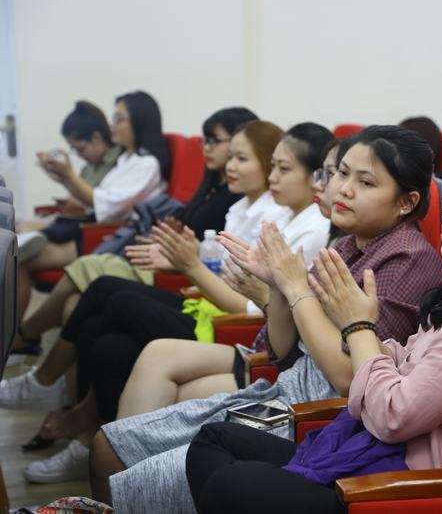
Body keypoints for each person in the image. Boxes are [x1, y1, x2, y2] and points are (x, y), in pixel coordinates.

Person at [184, 137, 442, 513]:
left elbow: (392, 414)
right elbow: (401, 360)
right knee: (214, 440)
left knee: (232, 484)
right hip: (378, 456)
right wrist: (360, 334)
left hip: (408, 490)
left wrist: (357, 327)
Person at [87, 126, 442, 513]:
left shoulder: (408, 260)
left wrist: (295, 287)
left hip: (315, 418)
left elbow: (349, 380)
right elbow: (283, 349)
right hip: (283, 391)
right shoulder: (347, 244)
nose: (343, 189)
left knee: (118, 458)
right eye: (342, 173)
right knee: (108, 445)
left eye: (365, 182)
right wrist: (277, 287)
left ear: (406, 202)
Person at [0, 120, 298, 484]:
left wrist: (189, 264)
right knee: (103, 339)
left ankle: (59, 398)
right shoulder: (242, 206)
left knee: (110, 295)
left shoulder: (291, 225)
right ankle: (87, 436)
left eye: (282, 168)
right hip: (207, 302)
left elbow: (254, 306)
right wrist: (185, 259)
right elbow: (226, 272)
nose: (230, 165)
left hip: (228, 324)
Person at [5, 107, 256, 369]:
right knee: (75, 303)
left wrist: (184, 253)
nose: (206, 148)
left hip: (178, 276)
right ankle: (48, 374)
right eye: (205, 141)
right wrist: (172, 240)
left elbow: (108, 208)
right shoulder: (212, 187)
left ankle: (27, 340)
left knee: (86, 273)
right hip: (164, 262)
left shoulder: (235, 200)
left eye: (216, 142)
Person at [14, 91, 170, 360]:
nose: (112, 126)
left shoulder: (147, 164)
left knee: (20, 259)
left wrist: (68, 174)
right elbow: (93, 203)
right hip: (98, 229)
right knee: (17, 256)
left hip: (111, 237)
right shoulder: (125, 160)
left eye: (119, 119)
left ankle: (24, 336)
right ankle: (21, 335)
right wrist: (63, 177)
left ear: (139, 121)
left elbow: (106, 206)